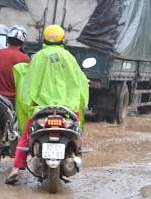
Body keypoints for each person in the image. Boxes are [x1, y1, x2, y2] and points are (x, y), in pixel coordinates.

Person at [5, 24, 89, 185]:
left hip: (41, 107)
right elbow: (79, 81)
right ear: (62, 40)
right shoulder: (69, 57)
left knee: (27, 134)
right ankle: (77, 152)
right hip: (67, 107)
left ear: (44, 39)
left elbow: (29, 82)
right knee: (77, 128)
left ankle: (16, 169)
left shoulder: (38, 56)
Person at [0, 26, 31, 106]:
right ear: (22, 43)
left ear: (7, 39)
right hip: (11, 98)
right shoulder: (25, 58)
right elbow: (27, 81)